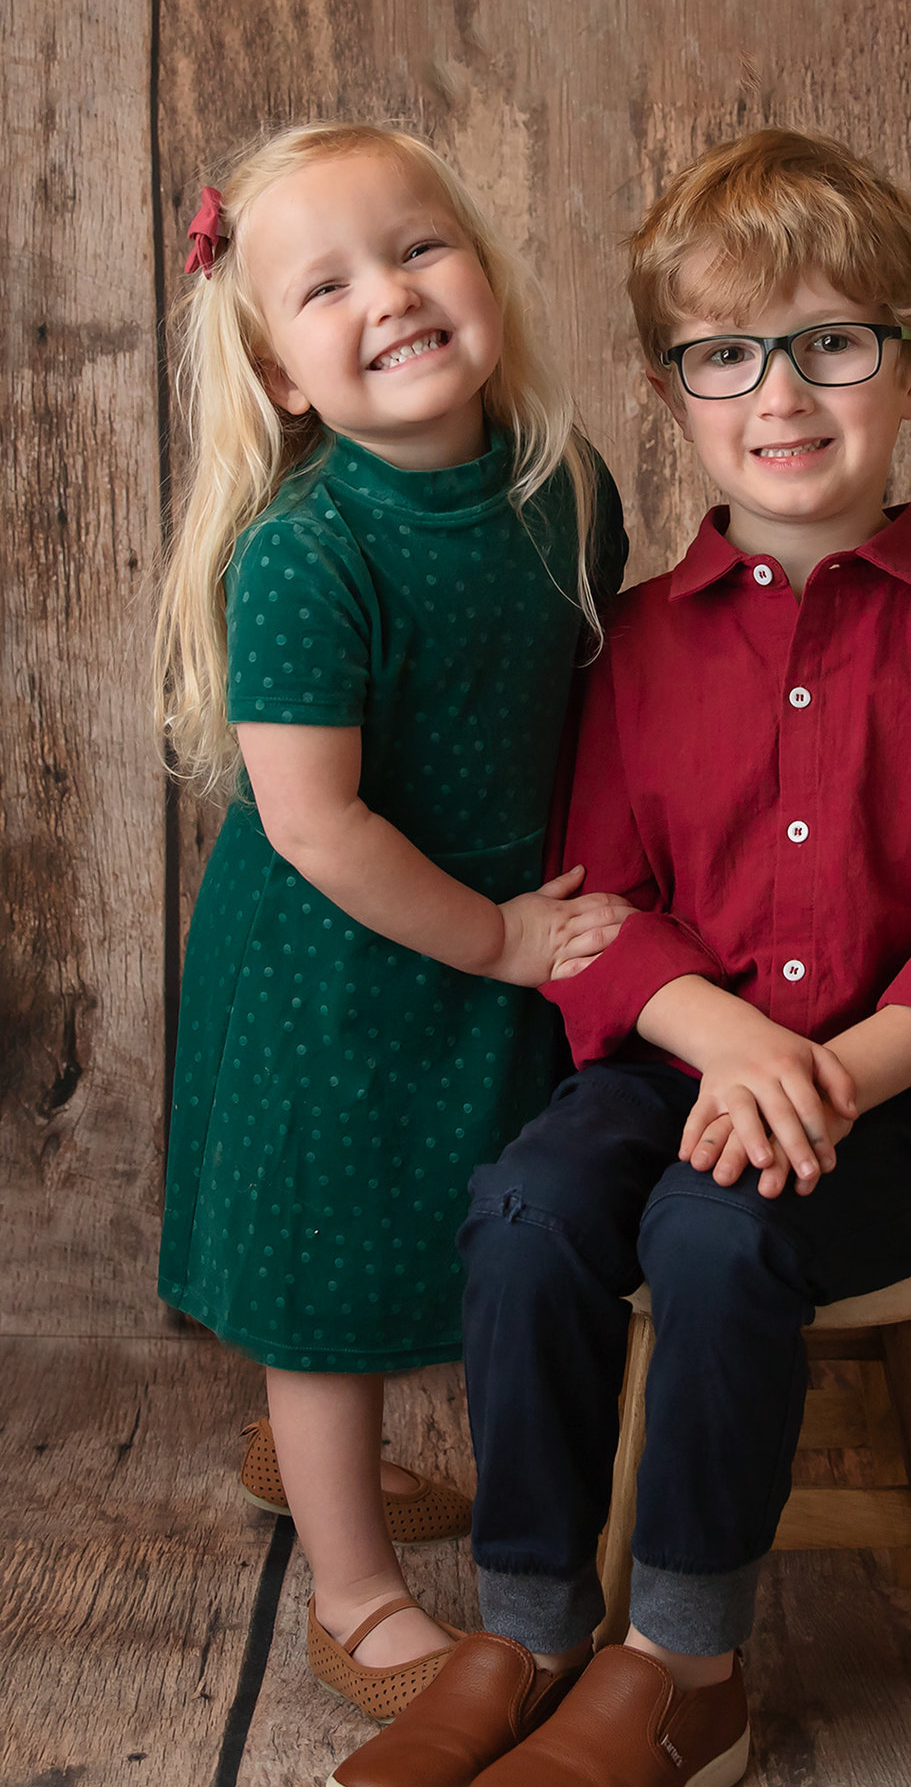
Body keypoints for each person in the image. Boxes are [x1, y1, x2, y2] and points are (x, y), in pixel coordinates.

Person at [330, 127, 911, 1787]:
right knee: (526, 1204)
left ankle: (685, 1662)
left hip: (901, 1095)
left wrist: (816, 1079)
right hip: (671, 1054)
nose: (783, 396)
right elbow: (607, 899)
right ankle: (524, 1626)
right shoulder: (643, 639)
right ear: (676, 393)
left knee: (719, 1227)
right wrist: (726, 1044)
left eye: (834, 344)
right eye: (728, 354)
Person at [153, 120, 629, 1724]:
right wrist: (496, 939)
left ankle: (365, 1476)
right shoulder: (308, 557)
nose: (394, 295)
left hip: (500, 933)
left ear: (484, 274)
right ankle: (350, 1591)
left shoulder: (569, 486)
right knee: (327, 1270)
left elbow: (589, 709)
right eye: (328, 285)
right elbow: (314, 821)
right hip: (330, 968)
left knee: (475, 1224)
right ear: (284, 376)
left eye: (421, 248)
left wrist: (537, 932)